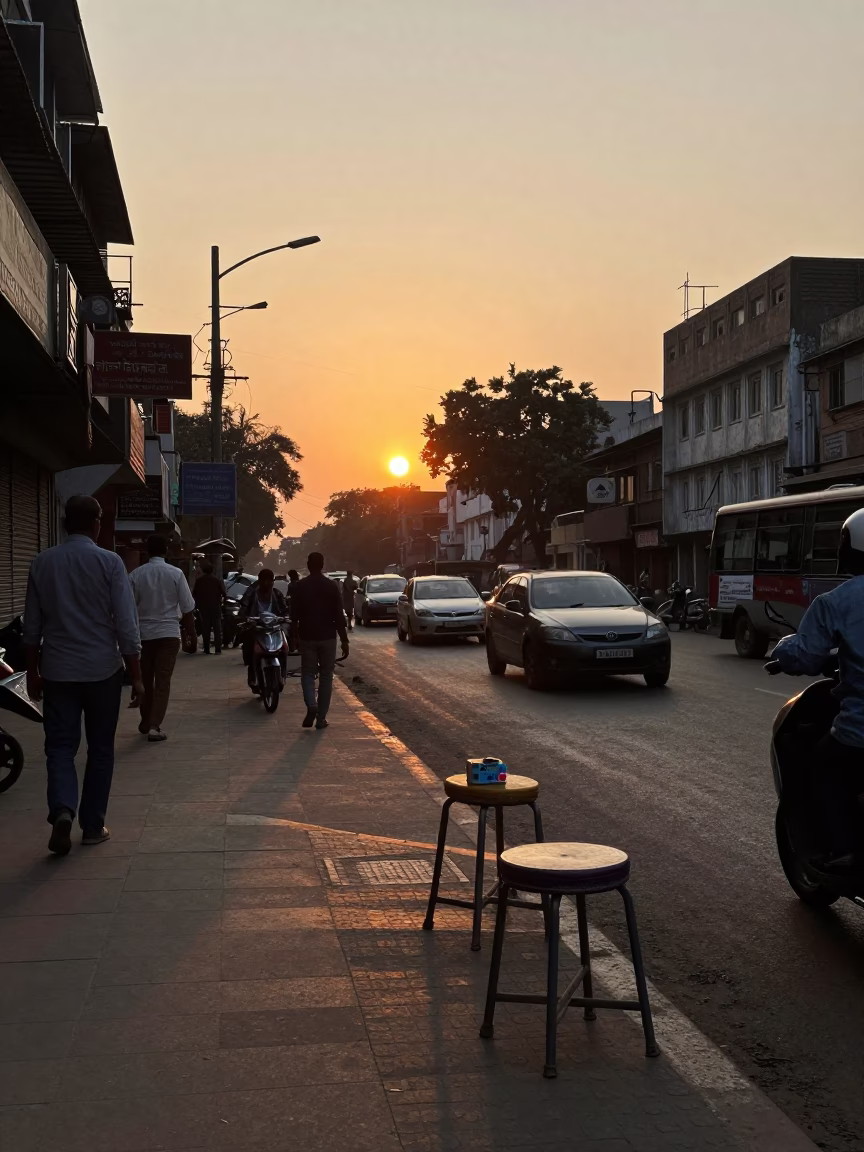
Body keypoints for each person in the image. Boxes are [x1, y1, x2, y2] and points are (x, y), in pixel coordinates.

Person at [23, 495, 144, 855]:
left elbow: (31, 627)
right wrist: (136, 675)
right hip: (102, 671)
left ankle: (62, 809)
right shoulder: (109, 563)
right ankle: (92, 825)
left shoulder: (42, 563)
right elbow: (126, 624)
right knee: (100, 749)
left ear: (64, 523)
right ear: (97, 524)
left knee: (60, 747)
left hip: (58, 671)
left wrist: (33, 673)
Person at [772, 509, 864, 870]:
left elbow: (806, 656)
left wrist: (782, 650)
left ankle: (846, 850)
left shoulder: (837, 602)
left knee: (822, 766)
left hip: (860, 730)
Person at [128, 535, 196, 742]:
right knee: (162, 681)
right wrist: (191, 634)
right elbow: (187, 607)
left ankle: (146, 720)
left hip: (144, 635)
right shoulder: (176, 574)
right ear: (166, 551)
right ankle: (154, 725)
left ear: (147, 552)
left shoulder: (136, 575)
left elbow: (128, 609)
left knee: (145, 679)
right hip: (168, 634)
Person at [291, 552, 349, 730]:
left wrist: (294, 636)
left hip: (307, 636)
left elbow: (294, 615)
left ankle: (311, 704)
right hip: (328, 637)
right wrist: (344, 639)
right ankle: (321, 718)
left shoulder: (300, 586)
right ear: (322, 565)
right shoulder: (331, 586)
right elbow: (339, 614)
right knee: (326, 677)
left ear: (308, 565)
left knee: (308, 674)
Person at [238, 568, 288, 690]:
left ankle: (283, 674)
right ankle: (253, 676)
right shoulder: (251, 594)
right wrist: (244, 618)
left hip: (274, 628)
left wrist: (286, 617)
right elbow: (243, 609)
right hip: (256, 628)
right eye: (263, 580)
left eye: (269, 580)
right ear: (259, 581)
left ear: (273, 581)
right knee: (250, 648)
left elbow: (285, 609)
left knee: (285, 647)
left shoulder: (277, 594)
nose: (266, 583)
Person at [193, 561, 226, 654]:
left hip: (203, 608)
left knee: (206, 628)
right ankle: (218, 649)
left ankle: (207, 649)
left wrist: (198, 604)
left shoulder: (199, 581)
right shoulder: (216, 580)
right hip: (215, 607)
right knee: (217, 628)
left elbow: (194, 594)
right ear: (212, 571)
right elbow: (224, 593)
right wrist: (221, 602)